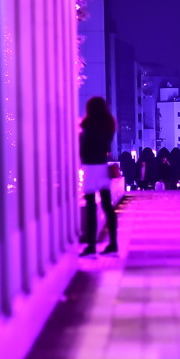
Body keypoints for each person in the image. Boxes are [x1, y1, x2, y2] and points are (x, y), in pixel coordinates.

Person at [79, 96, 118, 257]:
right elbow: (107, 146)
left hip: (90, 167)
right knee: (107, 206)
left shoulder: (87, 125)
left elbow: (82, 146)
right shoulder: (108, 124)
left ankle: (91, 246)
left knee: (90, 206)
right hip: (102, 166)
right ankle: (113, 243)